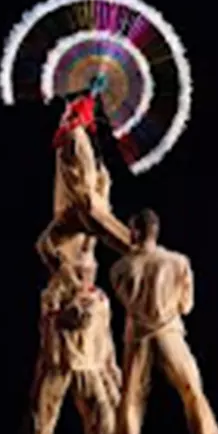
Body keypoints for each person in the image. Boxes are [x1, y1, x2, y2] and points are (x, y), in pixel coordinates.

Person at [109, 209, 218, 434]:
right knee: (192, 394)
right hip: (169, 334)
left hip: (138, 336)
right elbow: (186, 306)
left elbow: (125, 302)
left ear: (134, 232)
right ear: (156, 231)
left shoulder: (119, 267)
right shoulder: (178, 262)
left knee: (131, 402)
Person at [11, 238, 122, 434]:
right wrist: (73, 309)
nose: (89, 273)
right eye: (83, 270)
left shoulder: (100, 298)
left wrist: (110, 366)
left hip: (89, 364)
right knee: (42, 417)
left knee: (103, 416)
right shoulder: (55, 293)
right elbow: (60, 321)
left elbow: (104, 336)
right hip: (60, 362)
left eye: (91, 269)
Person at [36, 74, 130, 283]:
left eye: (69, 111)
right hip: (73, 209)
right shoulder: (73, 136)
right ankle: (74, 285)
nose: (65, 113)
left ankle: (149, 260)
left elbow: (93, 176)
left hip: (83, 206)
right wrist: (89, 96)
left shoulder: (74, 136)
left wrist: (87, 100)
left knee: (130, 245)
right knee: (46, 245)